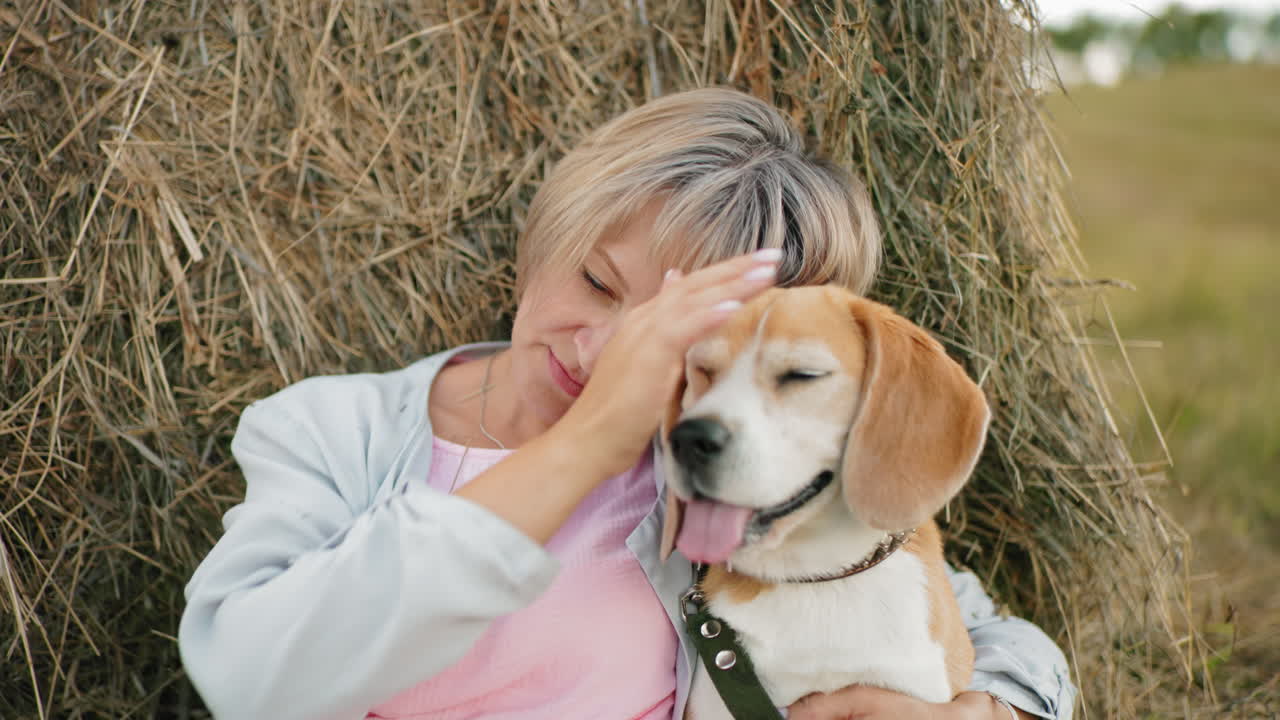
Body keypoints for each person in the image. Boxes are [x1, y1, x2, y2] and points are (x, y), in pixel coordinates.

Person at [179, 88, 1075, 720]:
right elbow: (253, 682)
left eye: (676, 335)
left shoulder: (720, 474)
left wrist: (995, 714)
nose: (604, 350)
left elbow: (970, 617)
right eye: (598, 280)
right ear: (547, 235)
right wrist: (585, 447)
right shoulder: (330, 432)